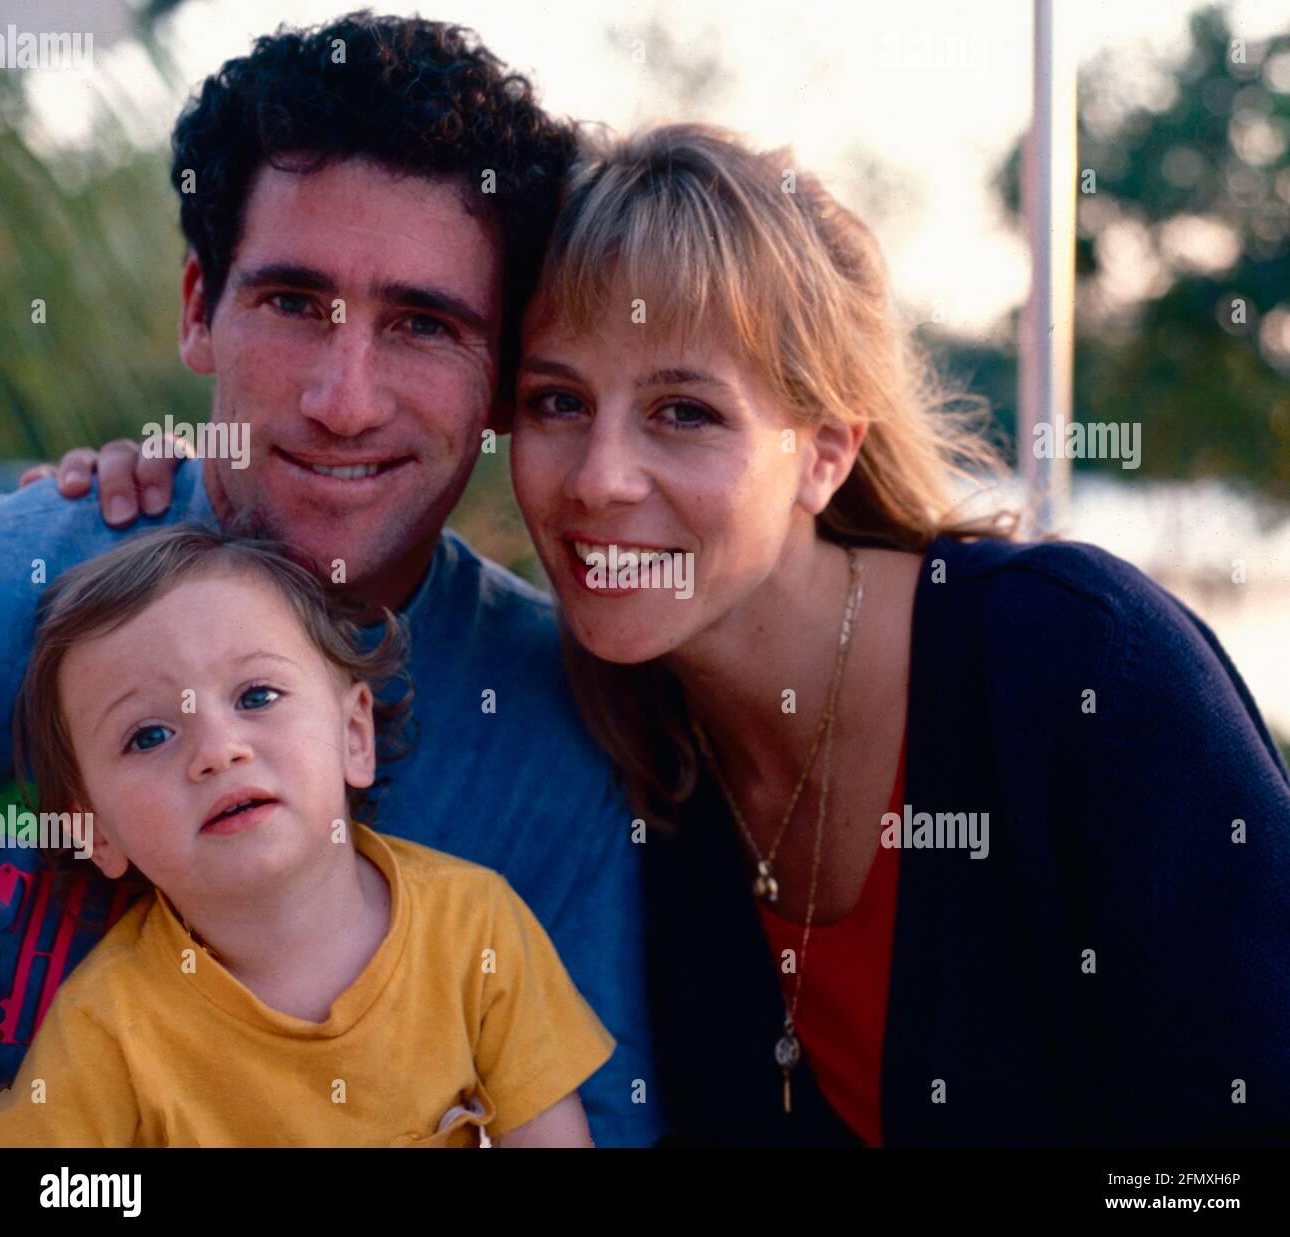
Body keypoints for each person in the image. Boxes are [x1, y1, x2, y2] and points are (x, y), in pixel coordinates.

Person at [502, 123, 1290, 1146]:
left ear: (825, 452)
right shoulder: (623, 758)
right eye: (556, 401)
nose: (598, 477)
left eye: (683, 412)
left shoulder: (1076, 666)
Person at [0, 13, 661, 1149]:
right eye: (295, 305)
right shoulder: (26, 589)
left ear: (499, 380)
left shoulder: (565, 728)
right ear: (200, 307)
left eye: (422, 324)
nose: (344, 400)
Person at [0, 527, 613, 1147]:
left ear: (353, 737)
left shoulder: (476, 928)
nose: (218, 751)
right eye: (148, 736)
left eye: (257, 696)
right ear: (93, 831)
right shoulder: (108, 1027)